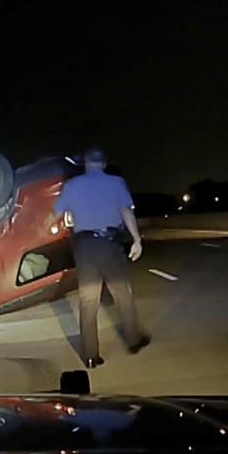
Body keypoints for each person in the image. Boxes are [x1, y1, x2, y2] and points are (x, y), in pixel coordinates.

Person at [53, 147, 151, 368]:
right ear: (104, 164)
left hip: (84, 247)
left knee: (88, 301)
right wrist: (137, 239)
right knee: (122, 293)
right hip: (108, 244)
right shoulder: (116, 183)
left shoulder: (72, 186)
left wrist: (73, 215)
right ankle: (134, 340)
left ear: (86, 164)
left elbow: (57, 213)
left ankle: (90, 356)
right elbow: (127, 211)